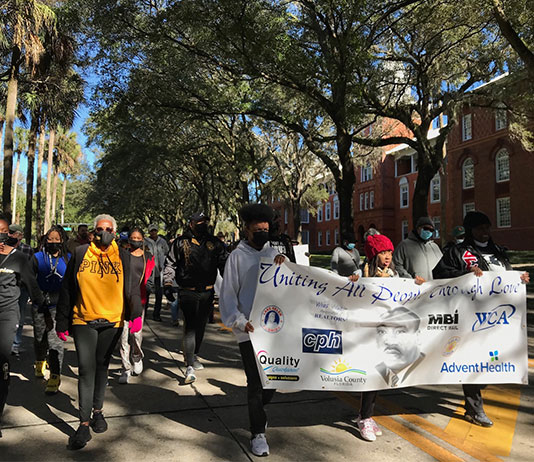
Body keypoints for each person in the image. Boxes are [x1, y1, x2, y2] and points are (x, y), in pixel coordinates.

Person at [433, 211, 530, 427]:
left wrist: (520, 278)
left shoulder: (498, 251)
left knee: (488, 364)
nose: (485, 232)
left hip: (499, 318)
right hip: (470, 316)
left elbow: (507, 276)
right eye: (480, 228)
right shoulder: (457, 252)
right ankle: (474, 409)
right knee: (472, 360)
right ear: (470, 230)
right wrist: (465, 275)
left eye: (487, 227)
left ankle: (475, 397)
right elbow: (439, 276)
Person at [56, 214, 143, 449]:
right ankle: (83, 425)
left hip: (112, 321)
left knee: (102, 366)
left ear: (114, 231)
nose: (103, 232)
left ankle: (98, 412)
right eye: (99, 229)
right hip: (83, 319)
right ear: (93, 232)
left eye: (108, 228)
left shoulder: (124, 255)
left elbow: (132, 287)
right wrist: (61, 321)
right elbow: (67, 287)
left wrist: (135, 315)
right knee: (86, 369)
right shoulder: (81, 253)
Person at [219, 203, 285, 457]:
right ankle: (257, 432)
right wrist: (237, 320)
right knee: (255, 383)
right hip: (249, 330)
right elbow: (228, 294)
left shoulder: (276, 254)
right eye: (257, 230)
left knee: (273, 380)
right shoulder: (237, 257)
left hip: (276, 331)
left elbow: (296, 284)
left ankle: (260, 413)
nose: (262, 233)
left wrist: (285, 265)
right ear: (247, 230)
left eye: (266, 229)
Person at [163, 212, 227, 384]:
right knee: (190, 326)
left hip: (207, 292)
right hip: (187, 291)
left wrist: (231, 284)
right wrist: (168, 284)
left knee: (201, 326)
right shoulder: (180, 243)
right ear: (191, 223)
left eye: (204, 221)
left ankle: (194, 353)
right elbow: (170, 264)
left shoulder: (215, 243)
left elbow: (224, 264)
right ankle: (189, 364)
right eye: (198, 221)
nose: (201, 224)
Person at [350, 233, 398, 441]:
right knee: (370, 373)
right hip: (365, 332)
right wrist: (353, 282)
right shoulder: (362, 272)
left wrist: (417, 282)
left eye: (389, 252)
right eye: (382, 252)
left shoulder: (396, 274)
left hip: (387, 332)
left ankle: (366, 415)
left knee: (379, 376)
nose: (387, 257)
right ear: (373, 254)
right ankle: (365, 417)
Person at [0, 214, 44, 438]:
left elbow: (32, 285)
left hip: (6, 315)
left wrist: (43, 307)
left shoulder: (19, 258)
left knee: (1, 363)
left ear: (9, 234)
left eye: (4, 231)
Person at [31, 226, 71, 394]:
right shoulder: (37, 258)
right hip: (40, 305)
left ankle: (55, 375)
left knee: (55, 342)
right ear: (45, 240)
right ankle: (40, 360)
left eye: (57, 239)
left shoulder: (68, 258)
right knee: (40, 338)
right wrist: (38, 300)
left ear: (62, 240)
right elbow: (30, 281)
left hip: (59, 306)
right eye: (50, 239)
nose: (53, 242)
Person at [118, 227, 155, 384]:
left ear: (143, 239)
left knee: (136, 333)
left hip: (140, 301)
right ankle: (126, 368)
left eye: (139, 238)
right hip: (122, 301)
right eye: (133, 238)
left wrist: (149, 286)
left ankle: (137, 356)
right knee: (123, 335)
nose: (136, 241)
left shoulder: (148, 257)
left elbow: (152, 275)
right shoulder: (123, 256)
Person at [374, 307, 425, 387]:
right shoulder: (372, 372)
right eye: (382, 332)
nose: (389, 342)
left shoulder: (433, 371)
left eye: (400, 332)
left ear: (418, 337)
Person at [8, 223, 34, 357]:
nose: (10, 235)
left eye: (13, 233)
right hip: (6, 287)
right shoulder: (3, 248)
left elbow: (31, 270)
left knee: (20, 314)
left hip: (22, 288)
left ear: (20, 235)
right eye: (9, 233)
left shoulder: (27, 249)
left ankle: (16, 344)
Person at [393, 216, 442, 284]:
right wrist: (410, 280)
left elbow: (442, 265)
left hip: (432, 288)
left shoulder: (434, 246)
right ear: (418, 228)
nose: (428, 231)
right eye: (426, 228)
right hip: (414, 288)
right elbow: (396, 265)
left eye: (431, 230)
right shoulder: (404, 245)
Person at [144, 224, 169, 321]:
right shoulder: (145, 242)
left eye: (155, 230)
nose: (153, 232)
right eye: (151, 231)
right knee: (147, 293)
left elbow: (167, 252)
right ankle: (144, 313)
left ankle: (156, 314)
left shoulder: (162, 241)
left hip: (160, 272)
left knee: (159, 294)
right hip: (149, 272)